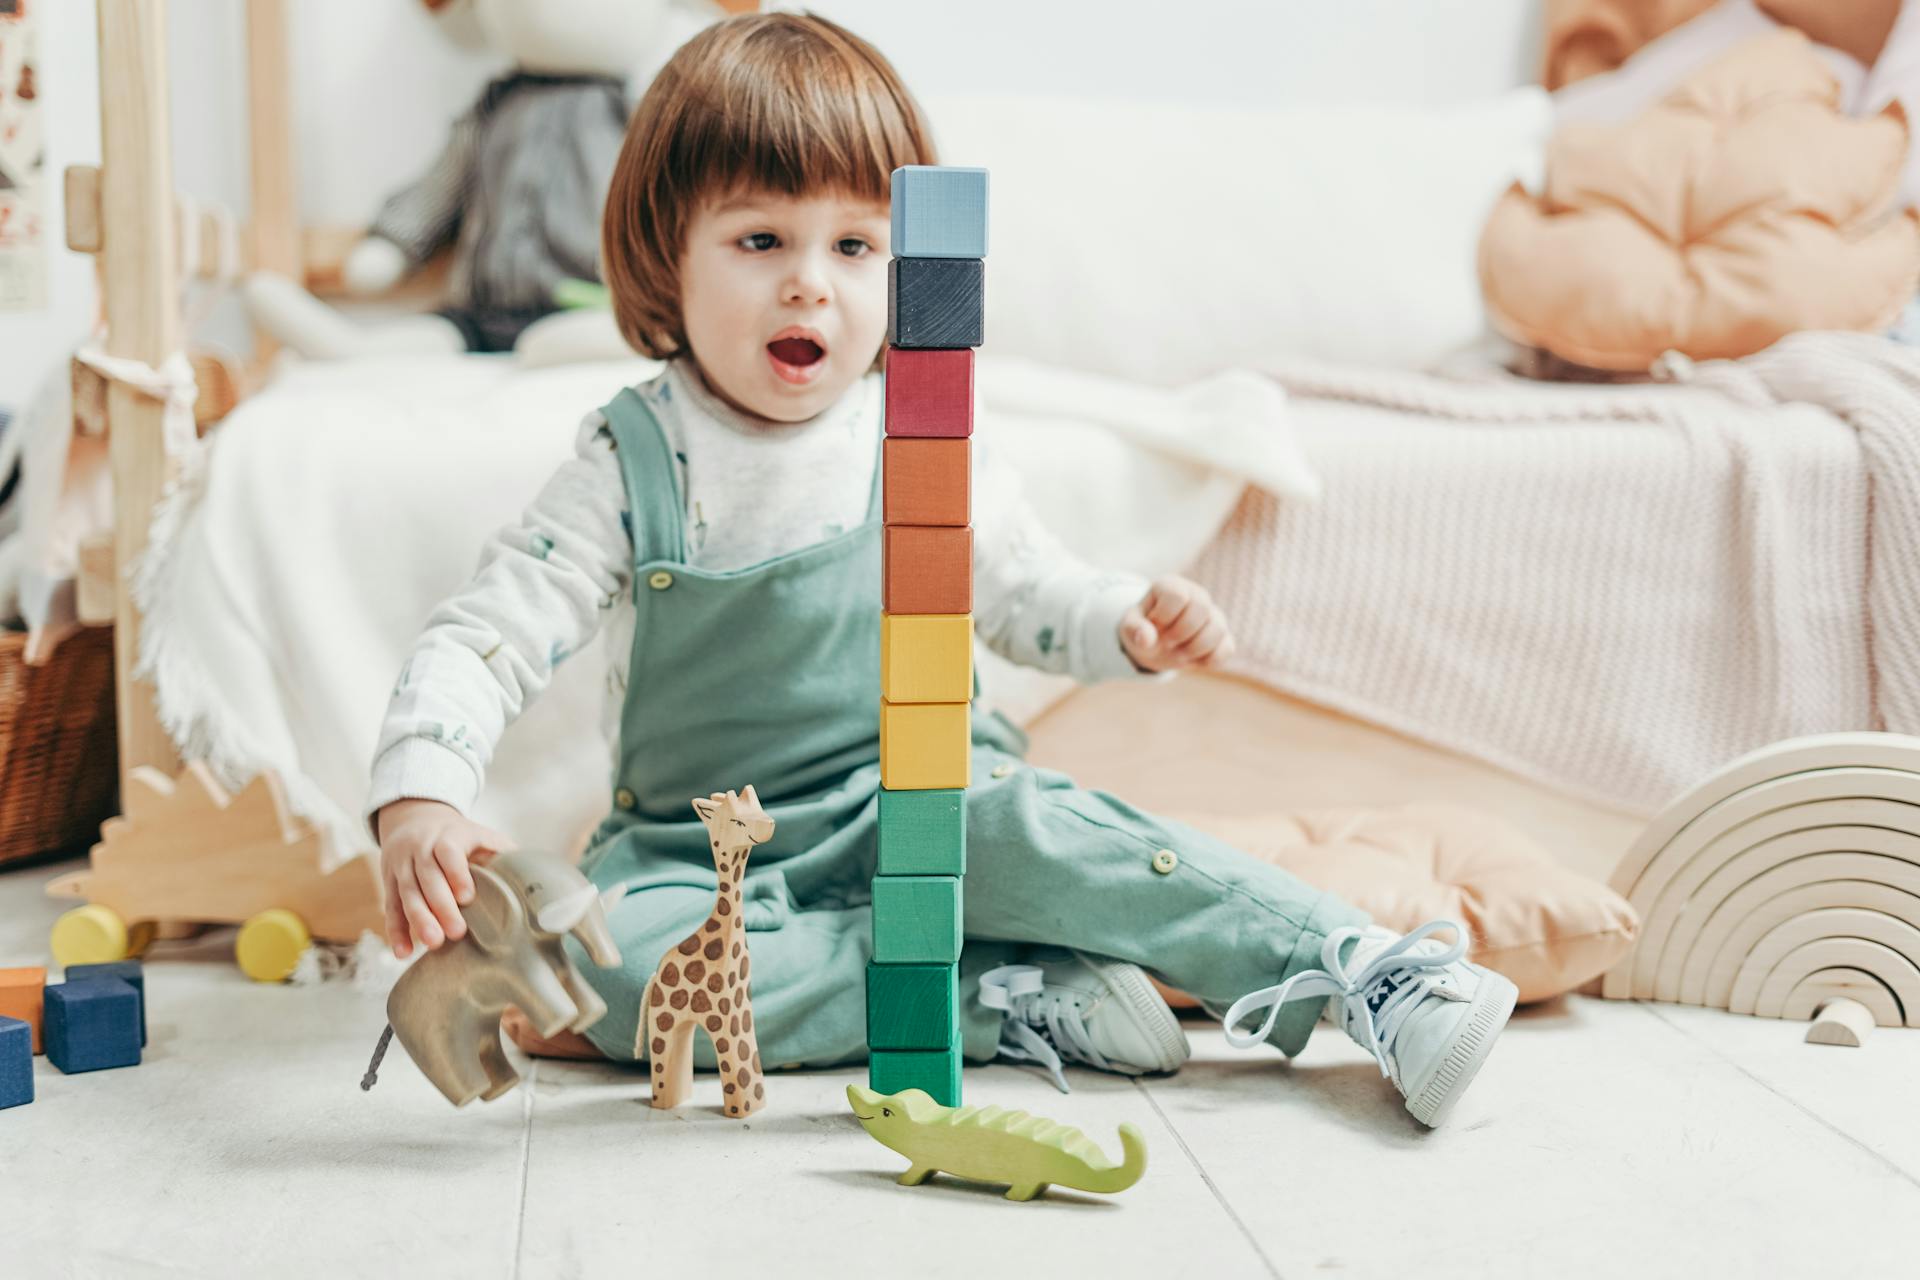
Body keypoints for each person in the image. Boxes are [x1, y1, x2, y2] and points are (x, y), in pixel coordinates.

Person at [368, 11, 1516, 1127]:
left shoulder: (915, 433)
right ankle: (988, 991)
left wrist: (1125, 621)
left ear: (904, 267)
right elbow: (493, 628)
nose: (811, 283)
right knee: (626, 983)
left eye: (854, 246)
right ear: (669, 256)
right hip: (702, 846)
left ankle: (1363, 969)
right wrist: (422, 785)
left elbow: (1027, 590)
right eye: (761, 239)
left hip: (920, 797)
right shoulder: (630, 459)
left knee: (1046, 831)